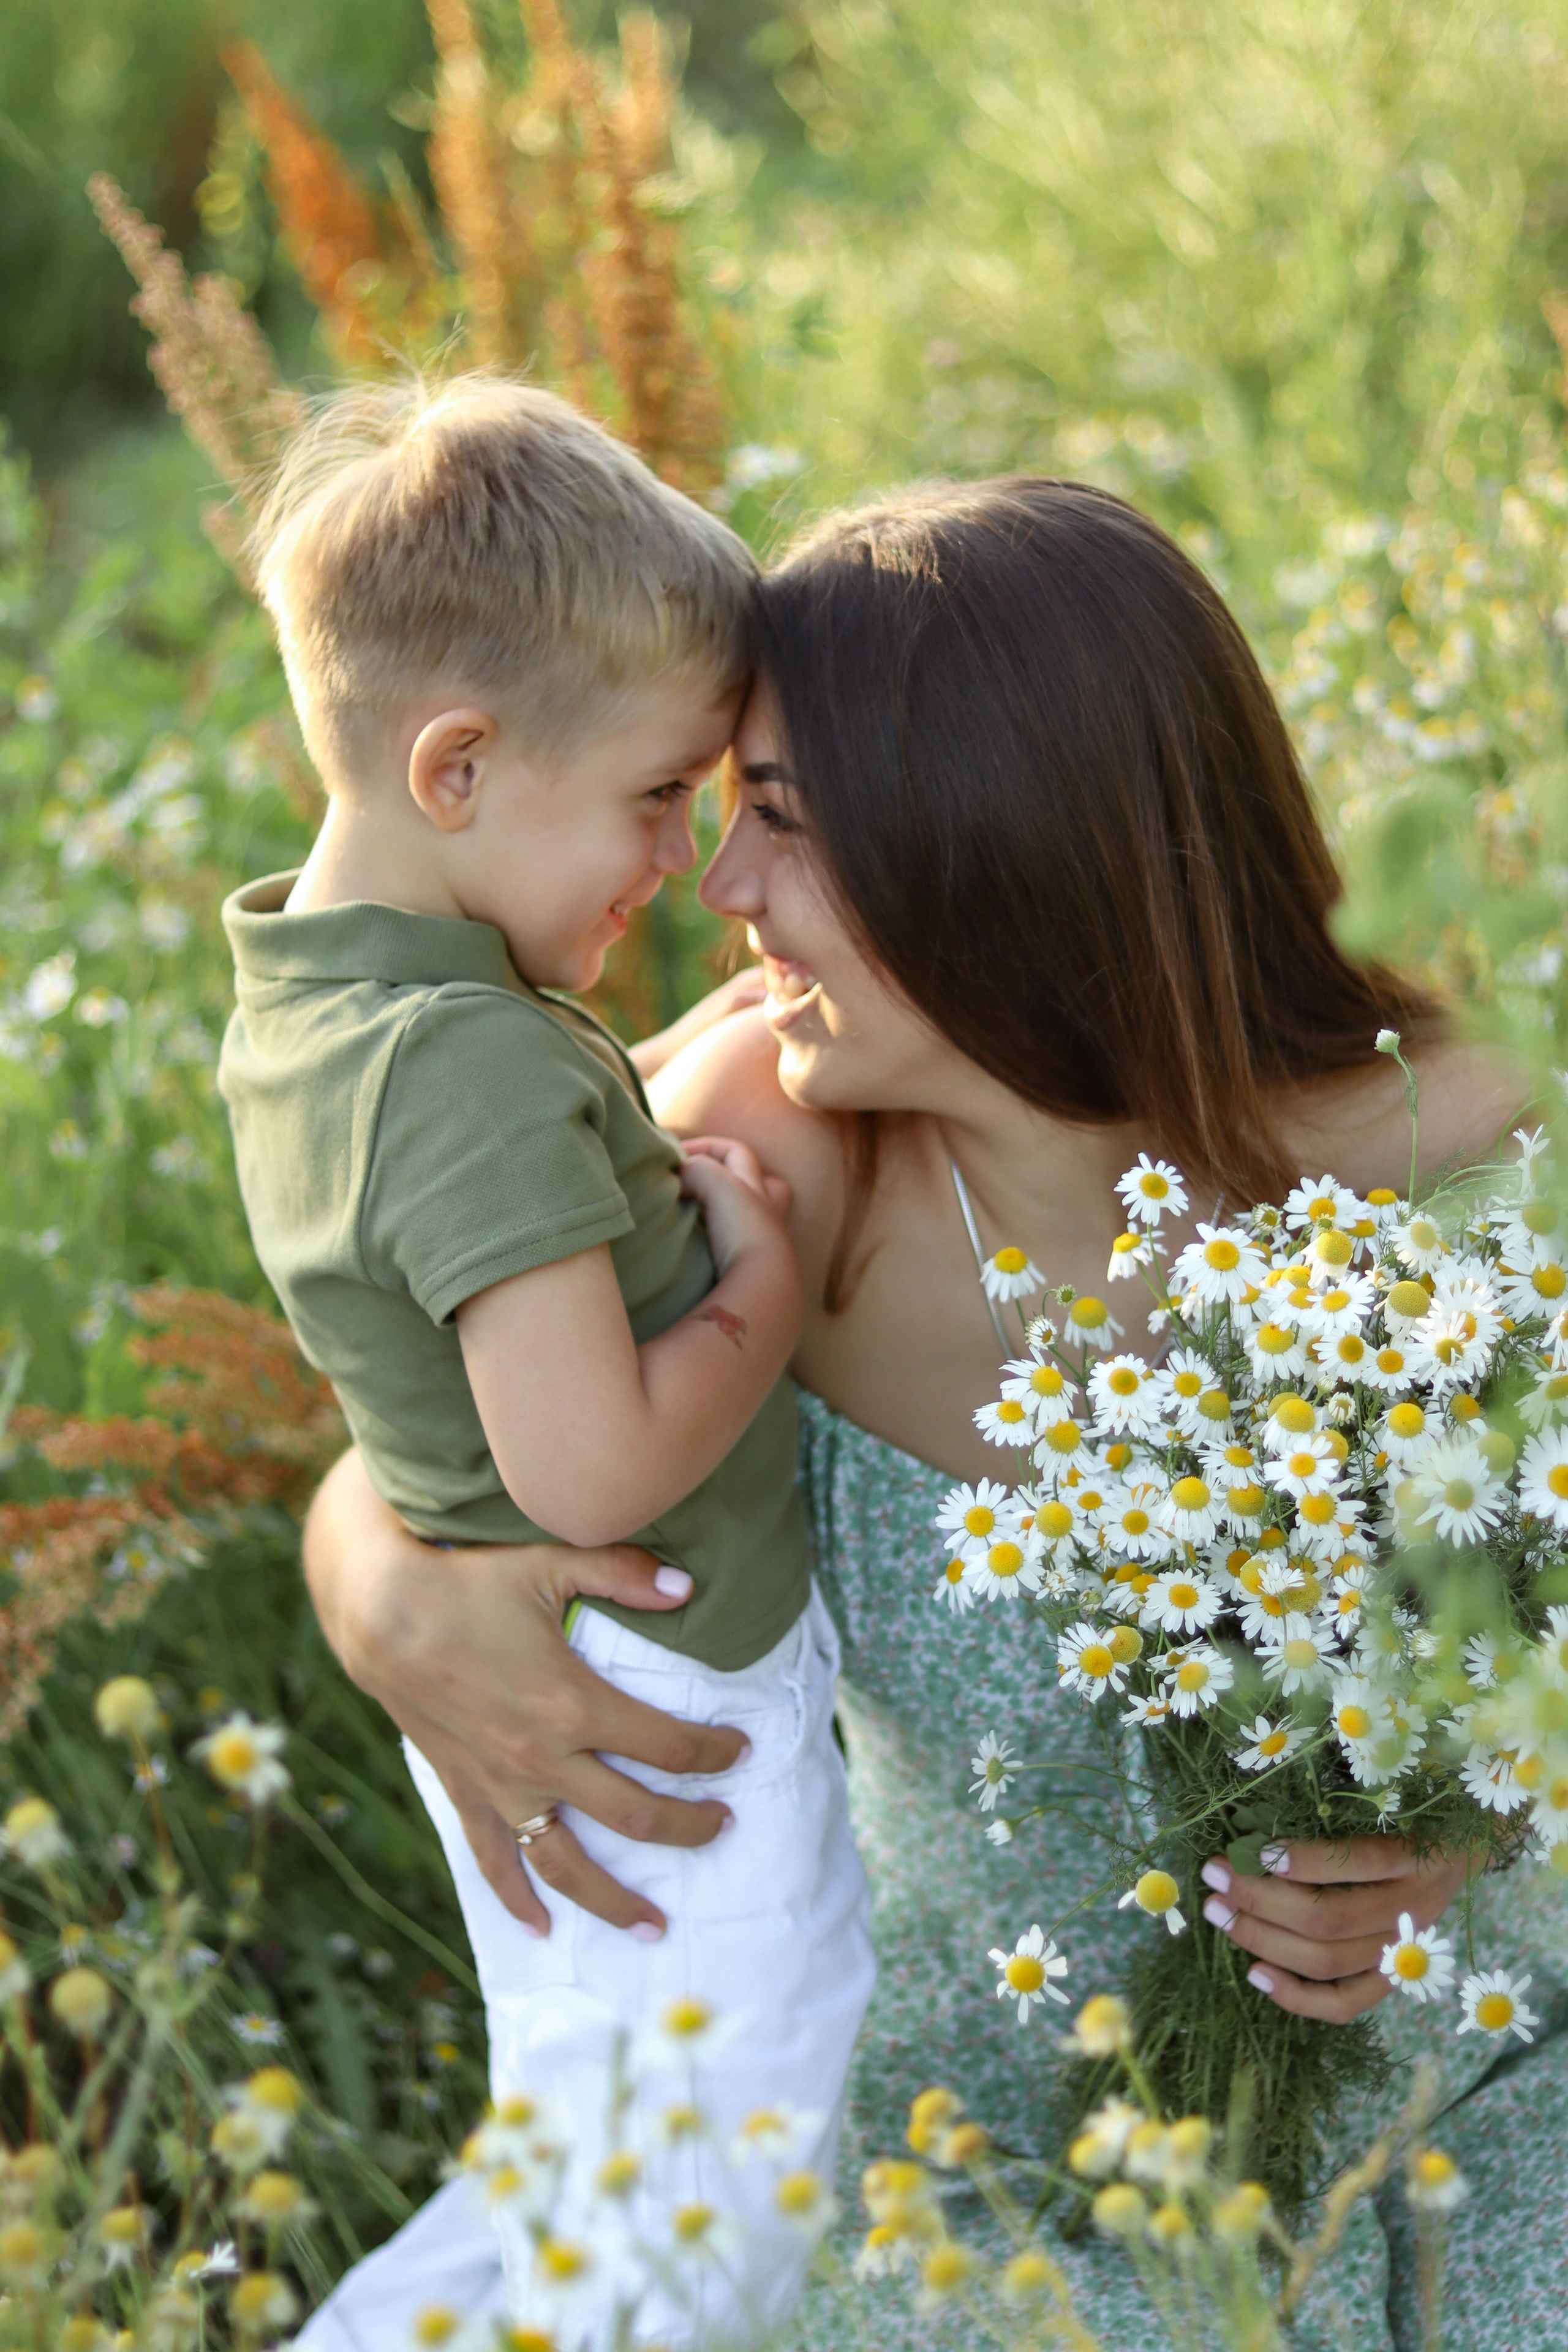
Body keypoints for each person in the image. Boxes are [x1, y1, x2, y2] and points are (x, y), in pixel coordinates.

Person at [301, 478, 1567, 2350]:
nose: (720, 890)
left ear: (997, 846)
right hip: (978, 2141)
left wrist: (1466, 1830)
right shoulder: (773, 1143)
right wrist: (378, 1594)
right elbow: (427, 1405)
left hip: (1472, 2062)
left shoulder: (1458, 1158)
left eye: (784, 825)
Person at [215, 374, 873, 2351]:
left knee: (592, 2124)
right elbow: (592, 1469)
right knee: (730, 2155)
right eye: (660, 796)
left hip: (557, 1682)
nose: (681, 858)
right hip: (650, 1685)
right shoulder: (471, 1064)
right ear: (460, 771)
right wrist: (763, 1261)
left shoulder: (320, 1004)